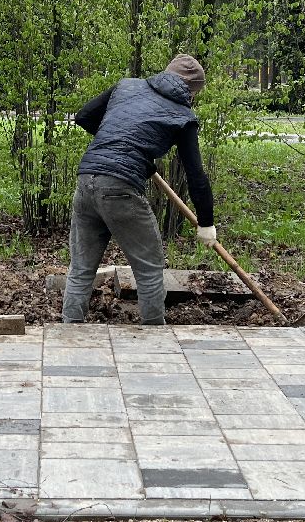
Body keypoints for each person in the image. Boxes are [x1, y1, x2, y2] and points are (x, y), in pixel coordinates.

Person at [62, 54, 216, 326]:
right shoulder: (183, 116)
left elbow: (84, 116)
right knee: (149, 269)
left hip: (86, 178)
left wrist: (119, 144)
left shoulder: (127, 86)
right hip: (121, 188)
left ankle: (69, 332)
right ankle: (155, 337)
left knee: (81, 269)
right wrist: (206, 223)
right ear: (193, 92)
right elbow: (196, 176)